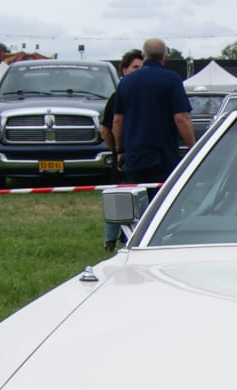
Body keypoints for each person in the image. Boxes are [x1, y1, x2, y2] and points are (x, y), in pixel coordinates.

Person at [112, 38, 195, 188]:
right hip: (164, 158)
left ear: (143, 55)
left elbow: (118, 121)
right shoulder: (172, 79)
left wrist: (120, 150)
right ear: (165, 56)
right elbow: (181, 118)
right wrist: (193, 148)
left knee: (140, 203)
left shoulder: (126, 82)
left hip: (136, 158)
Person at [100, 49, 145, 252]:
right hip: (123, 156)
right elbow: (106, 127)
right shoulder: (117, 96)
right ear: (124, 69)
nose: (139, 71)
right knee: (119, 199)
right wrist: (117, 150)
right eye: (135, 67)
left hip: (141, 155)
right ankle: (110, 241)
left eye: (142, 67)